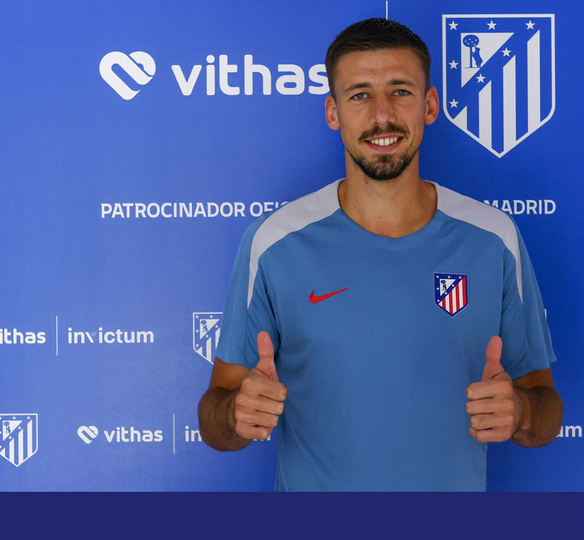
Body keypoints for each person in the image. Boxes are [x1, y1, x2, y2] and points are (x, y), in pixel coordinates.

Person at [198, 18, 562, 491]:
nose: (382, 116)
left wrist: (522, 412)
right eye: (360, 95)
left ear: (430, 105)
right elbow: (214, 421)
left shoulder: (493, 238)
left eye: (401, 91)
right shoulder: (274, 242)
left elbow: (546, 409)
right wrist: (235, 413)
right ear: (333, 112)